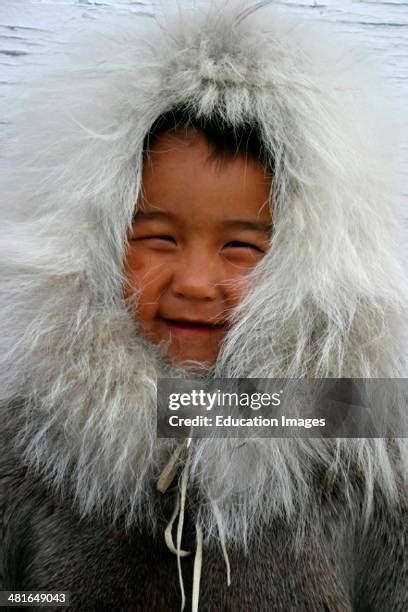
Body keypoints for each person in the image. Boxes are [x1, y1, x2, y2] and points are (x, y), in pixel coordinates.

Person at [0, 2, 406, 610]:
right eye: (158, 237)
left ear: (314, 260)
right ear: (91, 240)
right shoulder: (30, 437)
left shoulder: (360, 449)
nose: (193, 281)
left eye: (241, 247)